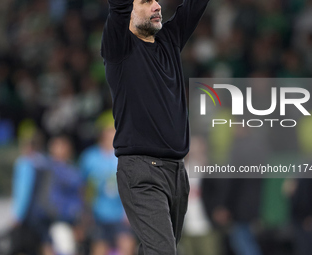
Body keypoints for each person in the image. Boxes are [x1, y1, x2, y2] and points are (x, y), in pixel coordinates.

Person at [101, 0, 210, 254]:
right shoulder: (119, 47)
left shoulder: (169, 42)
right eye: (147, 1)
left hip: (176, 173)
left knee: (157, 249)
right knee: (163, 251)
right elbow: (117, 8)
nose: (157, 6)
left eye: (157, 0)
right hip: (141, 171)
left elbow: (196, 5)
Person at [79, 125, 136, 255]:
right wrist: (85, 212)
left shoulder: (124, 156)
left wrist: (129, 211)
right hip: (97, 214)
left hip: (120, 214)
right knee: (99, 248)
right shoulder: (89, 157)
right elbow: (82, 186)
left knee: (126, 245)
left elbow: (131, 185)